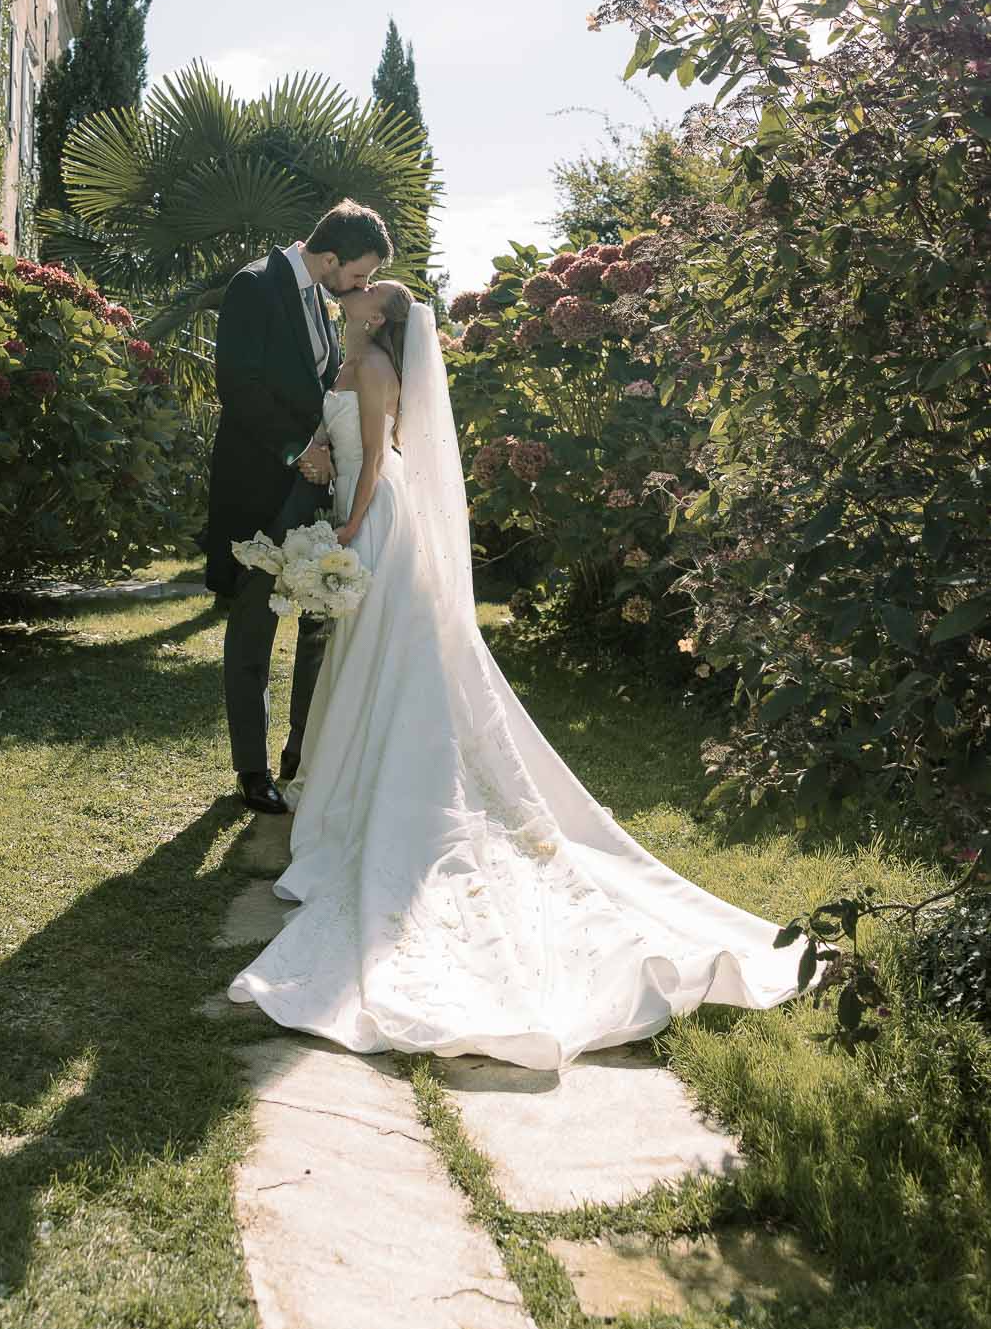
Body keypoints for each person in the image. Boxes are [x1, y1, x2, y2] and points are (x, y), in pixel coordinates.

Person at [229, 289, 811, 1071]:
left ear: (379, 315)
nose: (350, 295)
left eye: (363, 292)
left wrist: (352, 525)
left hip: (374, 518)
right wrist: (317, 460)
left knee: (383, 651)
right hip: (359, 503)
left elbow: (376, 448)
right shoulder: (352, 355)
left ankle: (385, 777)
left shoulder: (368, 364)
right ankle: (357, 771)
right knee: (366, 654)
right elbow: (341, 438)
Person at [206, 200, 391, 815]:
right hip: (262, 487)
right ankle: (252, 770)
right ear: (331, 257)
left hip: (316, 493)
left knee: (319, 626)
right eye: (359, 276)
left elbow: (317, 391)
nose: (361, 288)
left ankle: (300, 754)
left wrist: (322, 454)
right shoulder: (254, 285)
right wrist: (297, 453)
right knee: (254, 627)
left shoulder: (320, 299)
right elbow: (236, 385)